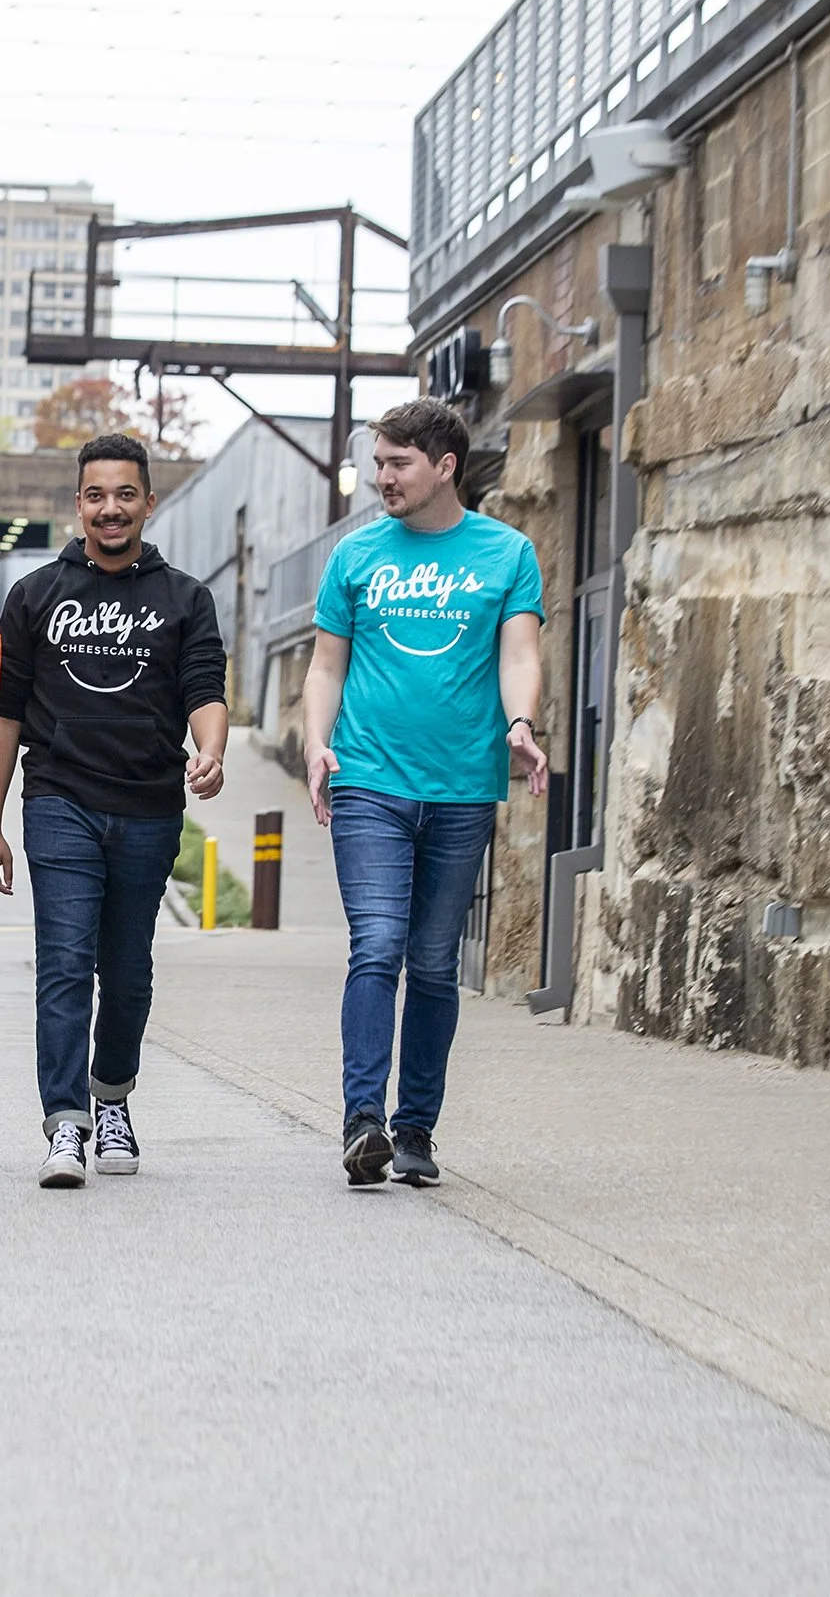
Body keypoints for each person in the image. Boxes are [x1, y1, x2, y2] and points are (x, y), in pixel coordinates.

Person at [303, 398, 547, 1189]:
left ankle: (415, 1129)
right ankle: (362, 1119)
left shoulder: (508, 554)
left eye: (397, 463)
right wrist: (316, 741)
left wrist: (520, 721)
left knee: (435, 963)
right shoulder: (355, 556)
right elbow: (326, 664)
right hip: (369, 777)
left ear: (445, 466)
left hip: (460, 786)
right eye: (377, 463)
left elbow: (518, 653)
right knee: (377, 944)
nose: (382, 478)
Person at [0, 432, 228, 1188]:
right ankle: (64, 1122)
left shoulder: (185, 596)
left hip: (150, 805)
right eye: (95, 495)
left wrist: (210, 749)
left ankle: (111, 1097)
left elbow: (205, 688)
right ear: (77, 504)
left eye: (125, 495)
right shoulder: (35, 595)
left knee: (126, 972)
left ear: (148, 503)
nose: (110, 509)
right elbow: (4, 714)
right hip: (59, 798)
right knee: (64, 961)